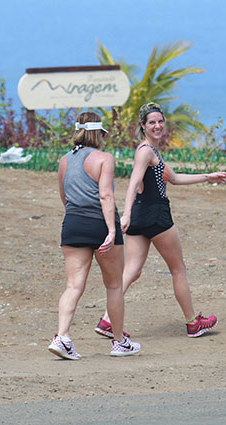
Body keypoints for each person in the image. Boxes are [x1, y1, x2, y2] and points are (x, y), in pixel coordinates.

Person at [95, 102, 226, 338]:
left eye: (160, 121)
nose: (157, 126)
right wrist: (124, 214)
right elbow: (134, 183)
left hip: (141, 216)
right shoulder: (145, 151)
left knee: (132, 271)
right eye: (152, 123)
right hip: (155, 214)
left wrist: (208, 177)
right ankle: (192, 323)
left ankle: (107, 320)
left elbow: (174, 179)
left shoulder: (153, 152)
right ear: (143, 126)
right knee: (178, 268)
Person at [49, 112, 140, 360]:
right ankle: (119, 342)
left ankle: (62, 337)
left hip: (73, 223)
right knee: (114, 285)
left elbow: (63, 196)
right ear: (98, 133)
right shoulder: (104, 158)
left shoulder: (64, 160)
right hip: (99, 223)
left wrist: (76, 215)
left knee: (73, 286)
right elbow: (106, 196)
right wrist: (111, 230)